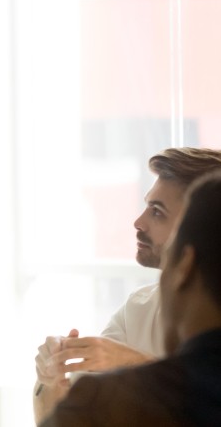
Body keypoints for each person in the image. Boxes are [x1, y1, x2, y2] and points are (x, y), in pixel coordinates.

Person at [33, 147, 221, 423]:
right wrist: (50, 381)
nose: (138, 222)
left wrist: (132, 365)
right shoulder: (137, 309)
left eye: (157, 212)